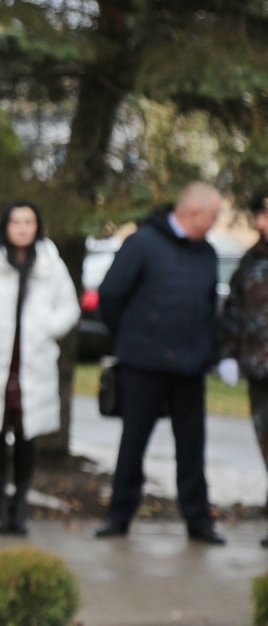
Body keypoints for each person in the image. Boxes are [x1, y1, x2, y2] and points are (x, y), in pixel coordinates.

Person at [94, 182, 226, 544]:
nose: (216, 223)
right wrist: (134, 339)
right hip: (144, 365)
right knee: (133, 443)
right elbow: (111, 295)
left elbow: (209, 306)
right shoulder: (143, 244)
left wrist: (210, 352)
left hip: (190, 367)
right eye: (214, 216)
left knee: (192, 448)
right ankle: (118, 516)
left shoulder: (207, 253)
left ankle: (199, 521)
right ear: (193, 212)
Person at [0, 201, 80, 535]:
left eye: (29, 221)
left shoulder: (49, 262)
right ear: (6, 225)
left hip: (32, 360)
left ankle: (21, 505)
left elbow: (69, 307)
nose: (22, 228)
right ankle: (0, 502)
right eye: (16, 221)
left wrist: (47, 327)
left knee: (27, 437)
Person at [217, 190, 268, 547]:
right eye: (261, 215)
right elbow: (234, 313)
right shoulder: (249, 262)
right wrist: (229, 355)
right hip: (259, 369)